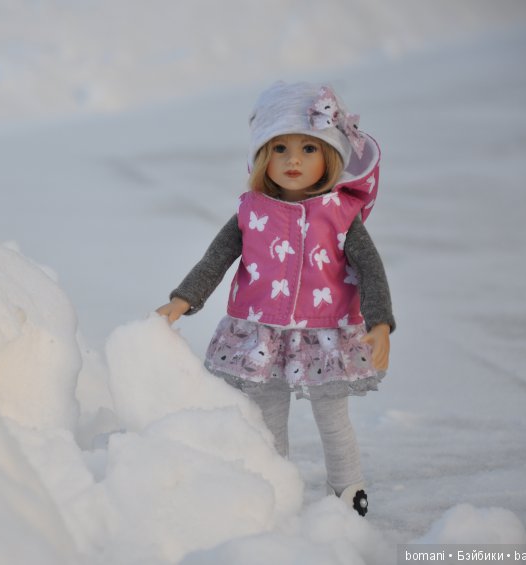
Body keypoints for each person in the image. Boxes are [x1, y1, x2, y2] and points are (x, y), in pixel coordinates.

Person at [156, 81, 394, 517]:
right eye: (280, 148)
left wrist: (380, 322)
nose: (293, 160)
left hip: (325, 332)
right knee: (266, 418)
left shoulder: (341, 215)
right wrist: (184, 299)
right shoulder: (251, 211)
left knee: (332, 416)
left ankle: (348, 490)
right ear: (262, 156)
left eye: (308, 148)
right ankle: (273, 488)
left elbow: (371, 270)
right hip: (259, 331)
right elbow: (216, 259)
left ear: (331, 156)